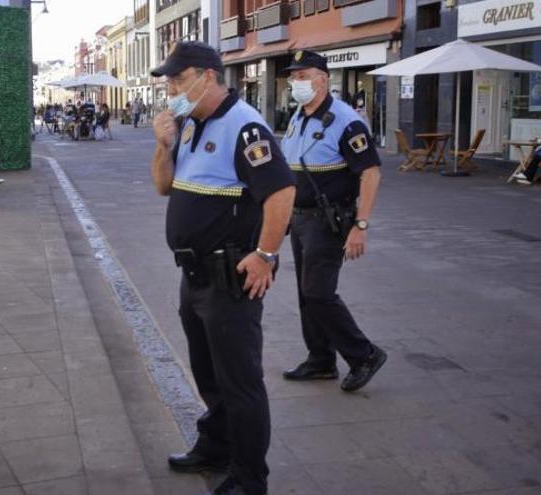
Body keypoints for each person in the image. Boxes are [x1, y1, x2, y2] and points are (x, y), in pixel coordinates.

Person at [151, 41, 295, 495]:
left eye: (178, 79)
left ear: (208, 76)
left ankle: (250, 479)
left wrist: (265, 254)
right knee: (209, 373)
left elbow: (281, 194)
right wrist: (163, 146)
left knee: (241, 383)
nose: (172, 88)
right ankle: (216, 447)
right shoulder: (189, 124)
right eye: (170, 81)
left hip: (229, 278)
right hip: (193, 276)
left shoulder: (245, 127)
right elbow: (163, 187)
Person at [278, 50, 386, 392]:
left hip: (329, 220)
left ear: (323, 79)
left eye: (303, 75)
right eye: (294, 76)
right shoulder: (298, 115)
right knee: (305, 293)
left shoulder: (346, 120)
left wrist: (361, 225)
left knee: (318, 292)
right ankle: (321, 359)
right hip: (299, 218)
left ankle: (364, 354)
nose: (296, 82)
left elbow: (370, 173)